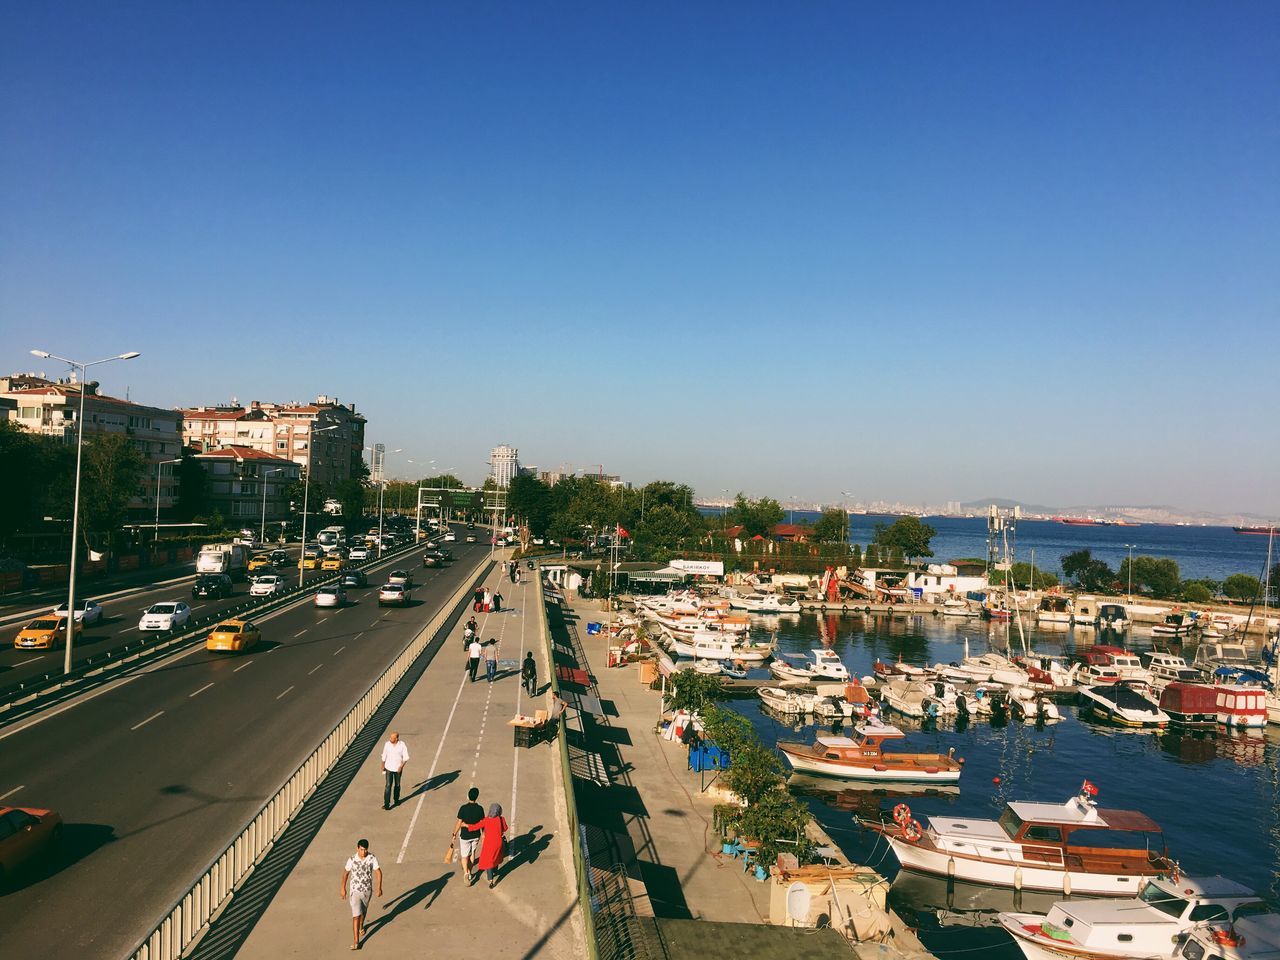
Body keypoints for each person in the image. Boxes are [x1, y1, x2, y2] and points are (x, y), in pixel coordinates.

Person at [341, 839, 382, 950]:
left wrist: (379, 888)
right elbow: (345, 873)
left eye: (365, 850)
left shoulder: (372, 858)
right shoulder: (352, 859)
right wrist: (343, 888)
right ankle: (356, 941)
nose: (363, 852)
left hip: (367, 891)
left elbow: (378, 872)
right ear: (357, 848)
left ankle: (361, 925)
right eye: (361, 849)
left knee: (363, 913)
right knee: (356, 915)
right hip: (355, 891)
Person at [464, 803, 508, 889]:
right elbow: (505, 828)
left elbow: (475, 827)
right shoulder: (501, 819)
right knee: (496, 857)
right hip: (498, 843)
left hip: (489, 844)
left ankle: (491, 880)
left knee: (489, 862)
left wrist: (466, 825)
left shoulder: (486, 820)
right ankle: (495, 871)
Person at [454, 787, 486, 885]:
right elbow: (482, 823)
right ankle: (470, 871)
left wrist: (454, 833)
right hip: (475, 835)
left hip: (465, 836)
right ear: (477, 797)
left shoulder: (463, 808)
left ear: (468, 796)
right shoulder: (480, 809)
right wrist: (483, 834)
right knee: (472, 853)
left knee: (464, 856)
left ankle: (466, 873)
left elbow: (459, 823)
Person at [380, 731, 409, 810]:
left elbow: (406, 757)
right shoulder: (387, 744)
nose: (390, 739)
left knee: (397, 785)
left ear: (396, 739)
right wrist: (382, 765)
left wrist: (401, 767)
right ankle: (386, 804)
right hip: (388, 767)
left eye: (392, 738)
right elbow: (384, 755)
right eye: (390, 737)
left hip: (398, 769)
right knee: (388, 785)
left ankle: (396, 800)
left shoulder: (402, 745)